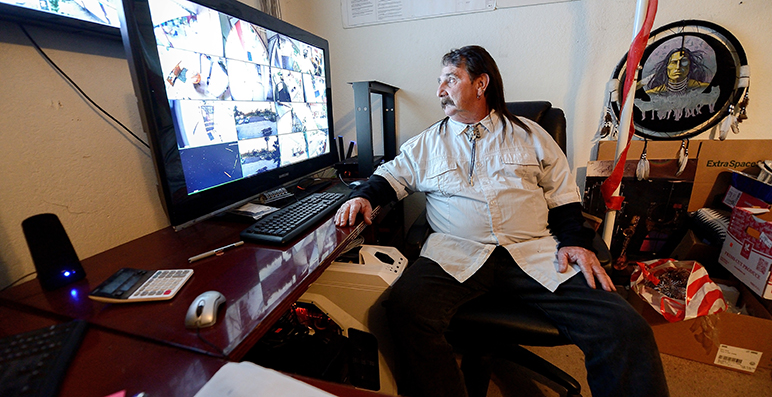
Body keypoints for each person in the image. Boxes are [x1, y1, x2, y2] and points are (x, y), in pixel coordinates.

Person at [334, 45, 669, 397]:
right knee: (404, 310)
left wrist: (575, 241)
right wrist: (364, 196)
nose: (440, 90)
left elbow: (563, 196)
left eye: (450, 79)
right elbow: (390, 177)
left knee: (624, 326)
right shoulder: (428, 143)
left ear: (481, 84)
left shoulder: (530, 134)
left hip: (533, 251)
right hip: (455, 253)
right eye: (439, 81)